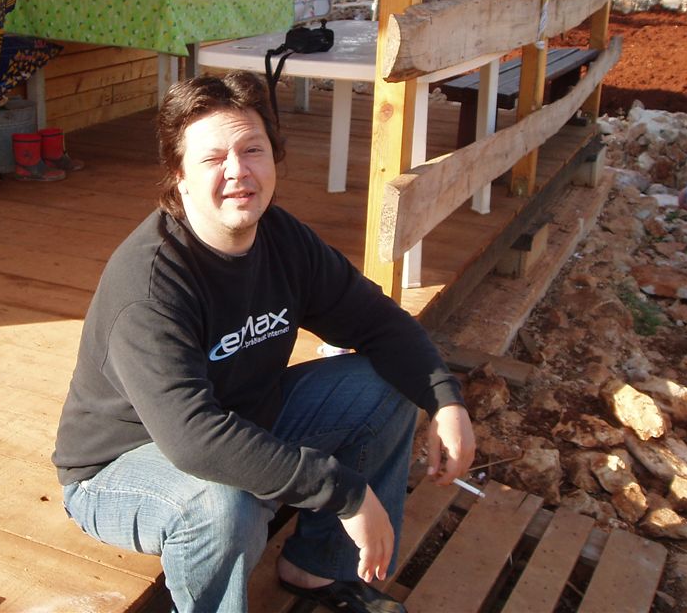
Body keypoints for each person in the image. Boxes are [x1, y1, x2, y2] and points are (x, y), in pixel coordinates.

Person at [53, 71, 475, 613]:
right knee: (222, 505)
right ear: (179, 175)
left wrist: (445, 400)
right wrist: (344, 492)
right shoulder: (152, 284)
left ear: (274, 157)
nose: (238, 171)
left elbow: (377, 322)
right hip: (122, 465)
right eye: (213, 158)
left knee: (384, 382)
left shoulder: (282, 237)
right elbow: (194, 441)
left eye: (252, 150)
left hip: (243, 418)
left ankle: (319, 570)